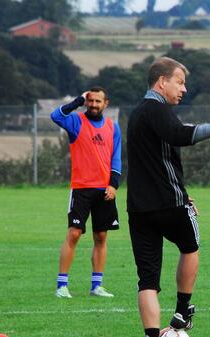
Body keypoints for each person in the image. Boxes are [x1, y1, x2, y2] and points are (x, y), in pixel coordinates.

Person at [127, 57, 210, 337]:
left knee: (147, 281)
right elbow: (180, 135)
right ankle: (182, 311)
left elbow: (155, 164)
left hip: (139, 209)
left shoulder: (137, 114)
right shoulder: (156, 108)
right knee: (190, 246)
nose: (183, 89)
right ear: (162, 82)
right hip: (169, 204)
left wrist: (183, 191)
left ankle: (153, 335)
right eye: (179, 82)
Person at [50, 86, 121, 298]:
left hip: (104, 191)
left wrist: (113, 185)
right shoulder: (76, 122)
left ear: (105, 104)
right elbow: (56, 115)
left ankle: (96, 286)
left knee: (101, 236)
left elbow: (116, 157)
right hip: (81, 188)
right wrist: (77, 101)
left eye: (98, 101)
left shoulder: (112, 127)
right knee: (74, 234)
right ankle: (62, 286)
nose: (94, 105)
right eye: (90, 101)